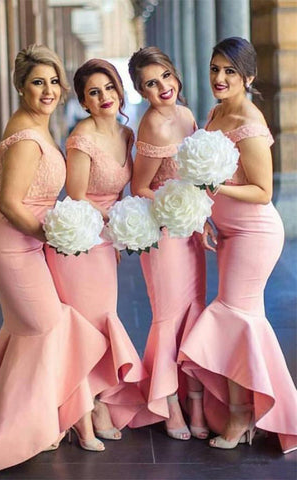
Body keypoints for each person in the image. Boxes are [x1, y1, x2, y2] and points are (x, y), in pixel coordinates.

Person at [0, 45, 112, 473]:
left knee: (31, 329)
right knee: (46, 325)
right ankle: (21, 428)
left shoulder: (37, 125)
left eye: (54, 81)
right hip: (12, 242)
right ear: (21, 87)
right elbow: (12, 205)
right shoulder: (25, 136)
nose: (49, 89)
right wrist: (52, 235)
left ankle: (47, 417)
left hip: (24, 240)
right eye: (38, 82)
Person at [179, 37, 297, 453]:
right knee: (240, 317)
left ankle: (243, 413)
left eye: (230, 71)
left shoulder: (250, 120)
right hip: (227, 232)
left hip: (255, 233)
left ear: (248, 77)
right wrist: (206, 213)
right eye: (215, 69)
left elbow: (263, 191)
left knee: (233, 315)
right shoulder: (215, 113)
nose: (219, 77)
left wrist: (216, 188)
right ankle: (255, 408)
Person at [44, 59, 147, 448]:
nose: (104, 97)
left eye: (109, 88)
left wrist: (122, 232)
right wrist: (117, 218)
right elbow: (78, 196)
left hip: (105, 243)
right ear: (84, 102)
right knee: (85, 329)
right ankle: (82, 415)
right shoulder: (81, 137)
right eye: (94, 92)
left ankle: (99, 402)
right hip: (79, 240)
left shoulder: (126, 133)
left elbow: (125, 189)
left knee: (105, 321)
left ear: (120, 90)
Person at [127, 46, 208, 441]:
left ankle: (195, 398)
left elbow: (195, 177)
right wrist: (172, 207)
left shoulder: (188, 116)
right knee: (168, 316)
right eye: (150, 84)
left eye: (165, 77)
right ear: (142, 92)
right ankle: (169, 400)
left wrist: (200, 214)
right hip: (163, 231)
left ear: (175, 75)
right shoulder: (152, 126)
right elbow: (139, 185)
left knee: (194, 309)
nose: (162, 88)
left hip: (191, 229)